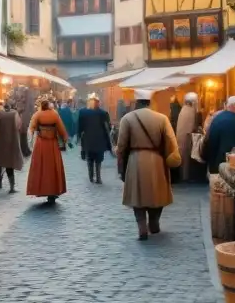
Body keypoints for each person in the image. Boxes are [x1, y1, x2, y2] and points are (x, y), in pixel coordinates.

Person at [117, 89, 181, 241]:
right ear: (150, 102)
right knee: (156, 193)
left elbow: (121, 146)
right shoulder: (162, 118)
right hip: (157, 160)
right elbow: (171, 142)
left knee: (137, 196)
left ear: (137, 102)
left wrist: (121, 166)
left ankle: (141, 227)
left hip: (135, 159)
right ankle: (154, 222)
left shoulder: (127, 118)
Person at [27, 99, 68, 204]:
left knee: (41, 167)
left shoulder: (37, 115)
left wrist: (30, 141)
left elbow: (31, 128)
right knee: (53, 168)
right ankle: (53, 192)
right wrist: (65, 139)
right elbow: (61, 129)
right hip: (52, 144)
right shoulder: (54, 115)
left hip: (41, 144)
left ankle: (41, 189)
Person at [77, 93, 111, 184]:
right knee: (99, 159)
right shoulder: (103, 113)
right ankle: (98, 177)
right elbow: (108, 127)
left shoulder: (83, 112)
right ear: (98, 102)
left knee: (89, 158)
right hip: (100, 139)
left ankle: (91, 176)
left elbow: (80, 126)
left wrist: (79, 136)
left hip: (88, 138)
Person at [0, 101, 24, 192]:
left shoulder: (0, 113)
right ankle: (12, 187)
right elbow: (19, 126)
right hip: (11, 142)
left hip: (0, 142)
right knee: (9, 164)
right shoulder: (15, 114)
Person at [176, 92, 206, 184]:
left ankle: (185, 175)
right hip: (186, 138)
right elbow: (191, 127)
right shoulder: (189, 111)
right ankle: (185, 176)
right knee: (185, 156)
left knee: (184, 156)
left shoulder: (185, 109)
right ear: (193, 101)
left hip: (183, 137)